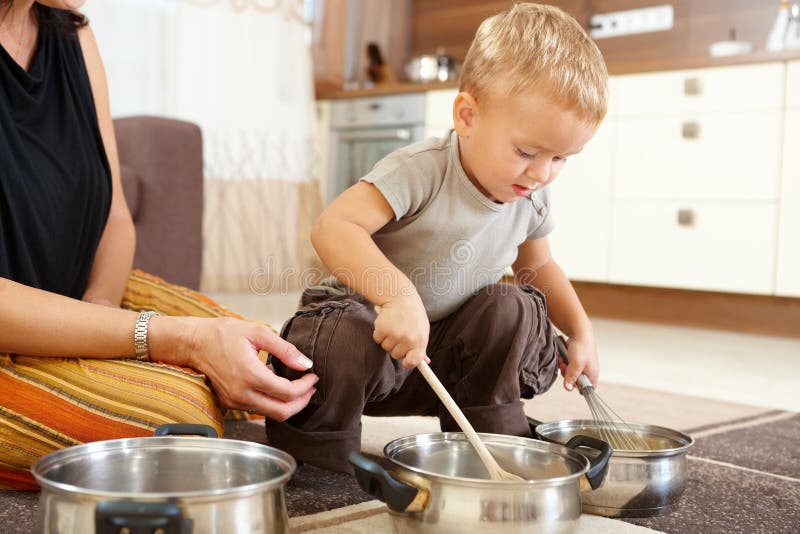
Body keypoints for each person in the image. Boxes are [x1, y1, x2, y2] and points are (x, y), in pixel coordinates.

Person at [266, 3, 608, 473]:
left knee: (514, 306)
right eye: (527, 151)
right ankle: (323, 455)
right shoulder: (422, 169)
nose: (542, 173)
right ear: (467, 116)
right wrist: (396, 297)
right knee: (338, 333)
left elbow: (540, 267)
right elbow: (333, 227)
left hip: (441, 365)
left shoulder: (532, 195)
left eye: (561, 159)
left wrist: (582, 330)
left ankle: (489, 432)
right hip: (364, 358)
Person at [0, 0, 318, 489]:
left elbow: (115, 212)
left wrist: (102, 314)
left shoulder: (73, 34)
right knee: (178, 420)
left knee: (267, 352)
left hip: (75, 297)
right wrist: (174, 338)